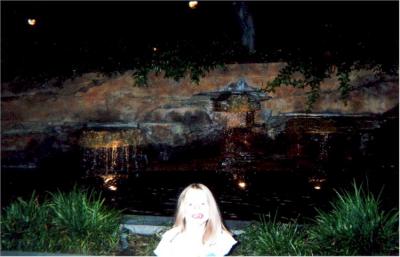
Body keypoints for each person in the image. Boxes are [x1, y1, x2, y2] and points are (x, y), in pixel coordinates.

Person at [154, 183, 237, 257]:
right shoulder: (171, 238)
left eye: (203, 203)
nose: (197, 208)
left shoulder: (221, 238)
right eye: (190, 204)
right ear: (182, 211)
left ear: (211, 210)